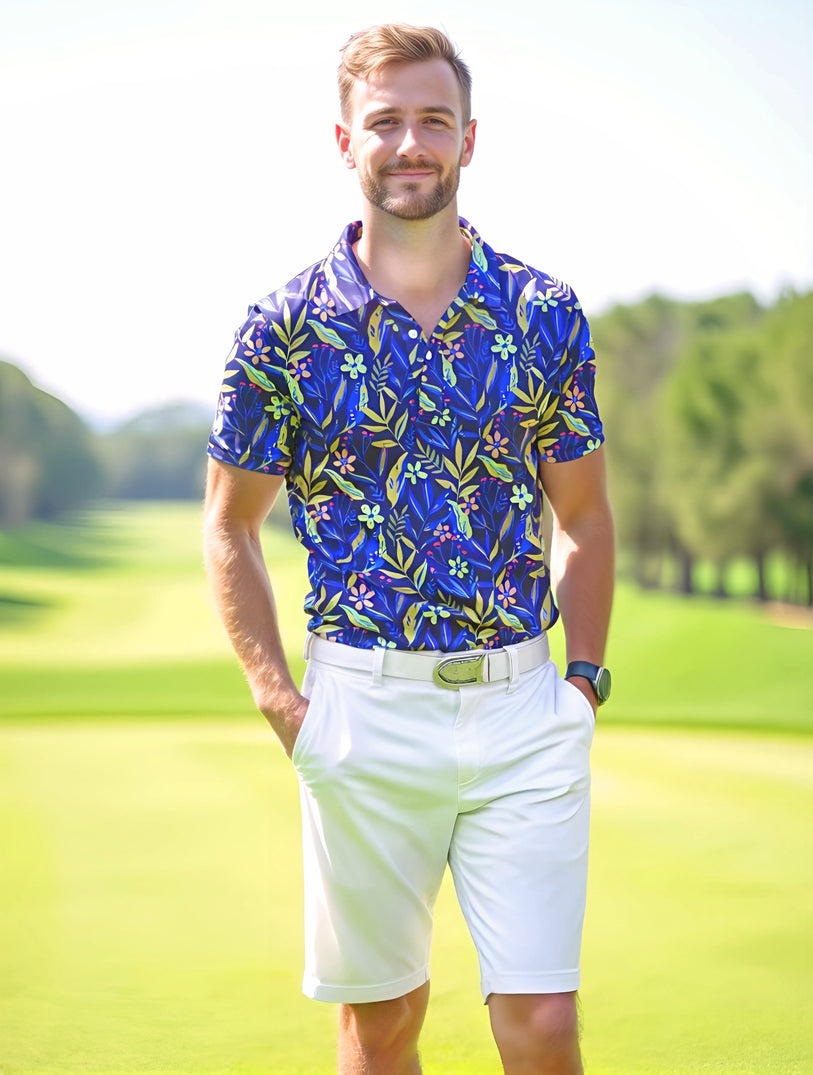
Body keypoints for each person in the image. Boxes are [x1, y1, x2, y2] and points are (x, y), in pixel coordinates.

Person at [203, 22, 613, 1075]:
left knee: (543, 1024)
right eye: (385, 121)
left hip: (525, 709)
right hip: (361, 714)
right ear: (344, 141)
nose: (410, 143)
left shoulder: (542, 314)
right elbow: (230, 524)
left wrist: (581, 685)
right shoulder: (281, 330)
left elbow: (584, 517)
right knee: (379, 1025)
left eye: (432, 120)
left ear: (469, 139)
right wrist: (282, 704)